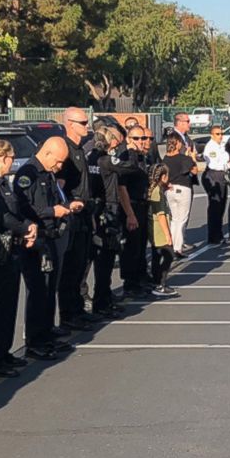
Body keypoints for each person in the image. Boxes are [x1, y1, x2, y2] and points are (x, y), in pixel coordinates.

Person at [14, 137, 84, 358]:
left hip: (53, 237)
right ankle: (35, 340)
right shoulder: (28, 174)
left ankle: (46, 333)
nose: (60, 166)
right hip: (37, 239)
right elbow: (27, 209)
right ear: (47, 153)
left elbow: (54, 200)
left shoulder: (48, 174)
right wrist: (54, 211)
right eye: (59, 161)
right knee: (38, 291)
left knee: (49, 289)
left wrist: (66, 206)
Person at [0, 139, 38, 378]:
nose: (13, 162)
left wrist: (27, 226)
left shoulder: (3, 183)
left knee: (10, 303)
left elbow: (17, 212)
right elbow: (4, 218)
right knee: (0, 305)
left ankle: (3, 352)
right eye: (11, 157)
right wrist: (25, 228)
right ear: (4, 158)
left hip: (12, 246)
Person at [55, 107, 100, 331]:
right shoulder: (65, 150)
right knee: (70, 268)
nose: (87, 126)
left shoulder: (80, 150)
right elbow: (59, 186)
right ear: (70, 123)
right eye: (83, 123)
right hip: (71, 214)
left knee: (81, 264)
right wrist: (67, 207)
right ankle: (68, 315)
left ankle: (78, 310)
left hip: (84, 214)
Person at [92, 124, 133, 317]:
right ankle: (102, 302)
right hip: (107, 209)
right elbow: (129, 167)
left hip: (100, 208)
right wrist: (130, 151)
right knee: (105, 259)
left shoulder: (91, 158)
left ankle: (104, 297)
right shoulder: (106, 160)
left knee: (105, 259)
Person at [117, 124, 155, 295]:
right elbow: (121, 187)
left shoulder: (142, 157)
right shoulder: (126, 156)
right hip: (131, 205)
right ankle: (130, 283)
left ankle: (140, 278)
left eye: (144, 138)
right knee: (131, 247)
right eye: (137, 138)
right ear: (128, 139)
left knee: (140, 246)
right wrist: (129, 214)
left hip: (142, 204)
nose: (142, 141)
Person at [145, 164, 181, 298]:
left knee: (156, 255)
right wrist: (168, 234)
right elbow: (160, 215)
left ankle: (156, 282)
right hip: (158, 228)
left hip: (154, 227)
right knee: (169, 254)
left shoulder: (156, 188)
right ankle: (160, 283)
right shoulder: (157, 191)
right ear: (163, 177)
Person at [163, 136, 197, 255]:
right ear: (177, 144)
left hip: (169, 189)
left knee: (174, 219)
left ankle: (171, 244)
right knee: (182, 219)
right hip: (183, 188)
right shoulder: (184, 158)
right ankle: (178, 247)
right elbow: (194, 171)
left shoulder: (165, 159)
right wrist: (192, 157)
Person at [202, 124, 230, 245]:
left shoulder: (220, 146)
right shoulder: (211, 147)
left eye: (221, 133)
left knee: (221, 206)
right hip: (213, 175)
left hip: (221, 175)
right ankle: (213, 236)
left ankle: (218, 234)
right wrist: (228, 166)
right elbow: (213, 164)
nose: (220, 136)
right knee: (215, 206)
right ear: (212, 135)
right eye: (217, 134)